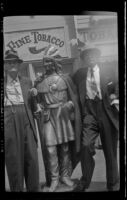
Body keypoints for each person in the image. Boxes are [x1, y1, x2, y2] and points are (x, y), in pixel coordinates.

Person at [30, 45, 81, 192]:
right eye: (44, 61)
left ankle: (65, 176)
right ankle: (54, 179)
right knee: (51, 149)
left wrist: (69, 105)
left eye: (49, 61)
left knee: (64, 148)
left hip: (63, 116)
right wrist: (36, 101)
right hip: (48, 117)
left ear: (55, 62)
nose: (46, 64)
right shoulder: (39, 82)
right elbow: (38, 101)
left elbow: (73, 99)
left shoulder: (65, 78)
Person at [72, 43, 119, 192]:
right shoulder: (79, 73)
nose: (90, 57)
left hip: (106, 112)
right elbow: (69, 88)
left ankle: (113, 183)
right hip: (89, 112)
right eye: (87, 55)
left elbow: (116, 87)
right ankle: (85, 181)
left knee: (110, 150)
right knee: (85, 146)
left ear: (98, 56)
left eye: (93, 54)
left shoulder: (109, 70)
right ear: (84, 59)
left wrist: (115, 98)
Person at [4, 50, 39, 191]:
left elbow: (33, 105)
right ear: (5, 66)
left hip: (26, 118)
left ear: (19, 65)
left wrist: (35, 98)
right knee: (14, 159)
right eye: (9, 62)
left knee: (32, 158)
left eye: (15, 62)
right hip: (9, 118)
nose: (12, 64)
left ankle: (33, 189)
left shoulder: (27, 81)